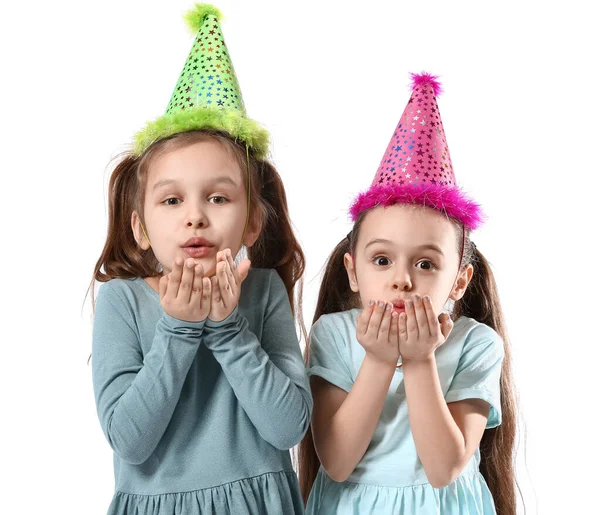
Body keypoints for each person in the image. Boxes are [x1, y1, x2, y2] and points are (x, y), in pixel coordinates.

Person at [90, 4, 311, 514]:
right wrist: (178, 328)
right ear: (140, 227)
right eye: (172, 201)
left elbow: (288, 427)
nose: (195, 217)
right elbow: (129, 440)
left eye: (218, 197)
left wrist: (229, 328)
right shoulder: (122, 301)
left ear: (254, 222)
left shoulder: (262, 292)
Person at [299, 73, 517, 514]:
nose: (402, 280)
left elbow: (443, 468)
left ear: (459, 280)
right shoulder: (335, 335)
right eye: (382, 260)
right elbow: (337, 463)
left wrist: (419, 360)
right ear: (352, 270)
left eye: (426, 264)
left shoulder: (477, 344)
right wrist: (379, 360)